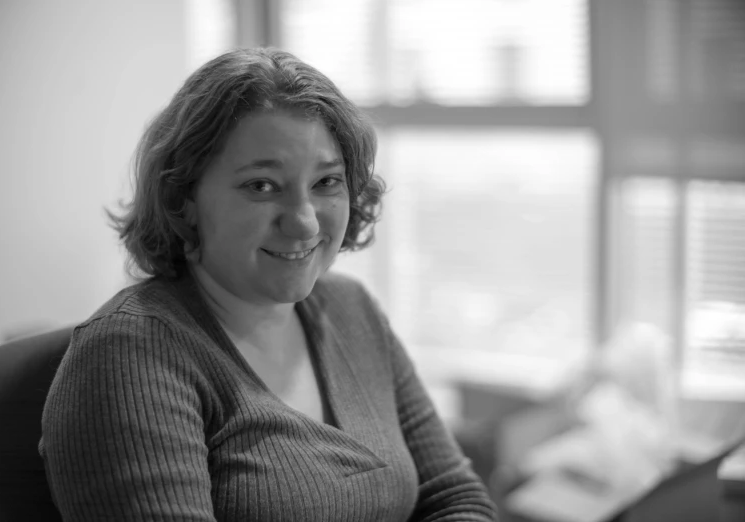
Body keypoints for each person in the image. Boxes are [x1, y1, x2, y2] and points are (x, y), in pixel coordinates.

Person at [39, 47, 497, 521]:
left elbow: (453, 496)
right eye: (261, 185)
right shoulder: (128, 355)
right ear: (184, 197)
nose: (302, 223)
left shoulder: (350, 307)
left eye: (326, 182)